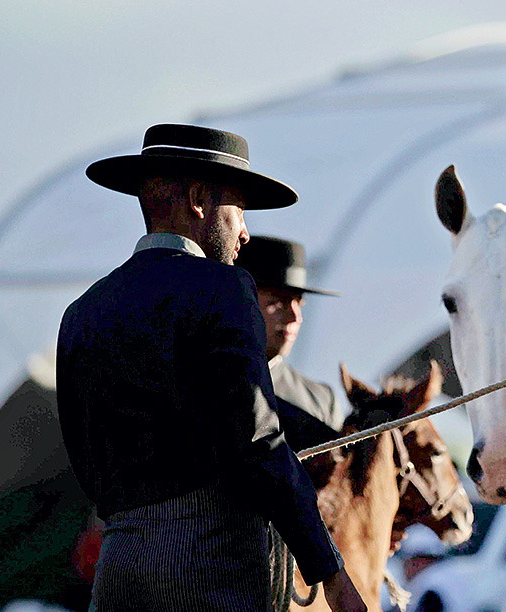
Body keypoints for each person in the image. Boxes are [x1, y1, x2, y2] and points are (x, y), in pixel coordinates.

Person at [56, 123, 367, 612]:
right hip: (208, 568)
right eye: (239, 208)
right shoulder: (224, 290)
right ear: (199, 199)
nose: (245, 230)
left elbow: (86, 464)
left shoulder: (82, 312)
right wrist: (328, 568)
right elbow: (260, 443)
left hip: (117, 566)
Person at [236, 235, 343, 451]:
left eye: (299, 304)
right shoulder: (202, 382)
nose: (295, 317)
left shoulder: (321, 401)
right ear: (242, 301)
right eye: (278, 303)